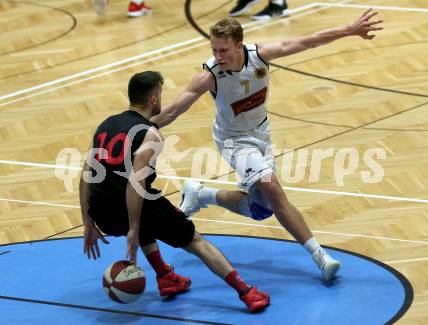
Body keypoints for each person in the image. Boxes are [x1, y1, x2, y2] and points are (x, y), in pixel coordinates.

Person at [151, 10, 384, 281]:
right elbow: (173, 110)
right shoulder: (210, 76)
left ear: (239, 46)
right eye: (214, 49)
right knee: (273, 188)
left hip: (261, 133)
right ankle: (320, 256)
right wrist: (134, 129)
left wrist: (349, 29)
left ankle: (200, 194)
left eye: (224, 50)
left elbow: (310, 40)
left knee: (260, 209)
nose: (218, 56)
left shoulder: (261, 55)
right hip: (233, 140)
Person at [79, 71, 270, 312]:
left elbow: (86, 175)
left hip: (103, 212)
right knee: (195, 241)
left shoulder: (105, 126)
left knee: (145, 220)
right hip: (132, 202)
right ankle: (247, 293)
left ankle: (165, 277)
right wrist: (134, 228)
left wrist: (88, 223)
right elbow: (134, 185)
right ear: (154, 100)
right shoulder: (150, 134)